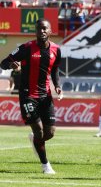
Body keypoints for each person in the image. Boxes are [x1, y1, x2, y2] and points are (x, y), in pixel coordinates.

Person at [0, 19, 62, 174]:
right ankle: (45, 165)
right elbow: (3, 63)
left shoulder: (56, 50)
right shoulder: (26, 48)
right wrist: (11, 65)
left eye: (44, 28)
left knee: (50, 133)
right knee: (39, 131)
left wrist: (58, 85)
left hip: (46, 96)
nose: (41, 31)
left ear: (50, 31)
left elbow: (54, 71)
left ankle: (34, 139)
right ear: (35, 31)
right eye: (38, 29)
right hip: (28, 94)